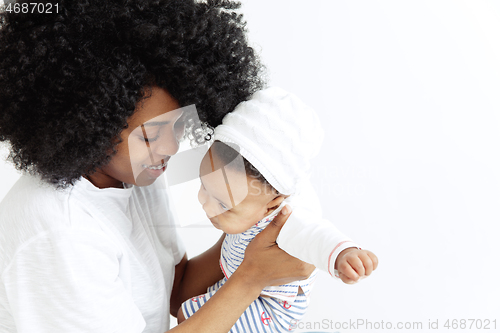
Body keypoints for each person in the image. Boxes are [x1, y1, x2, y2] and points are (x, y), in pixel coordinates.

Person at [0, 1, 315, 332]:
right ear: (90, 122)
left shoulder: (133, 177)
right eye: (151, 137)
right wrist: (252, 277)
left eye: (178, 127)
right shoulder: (60, 230)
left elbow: (177, 291)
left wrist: (257, 223)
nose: (171, 149)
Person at [177, 87, 379, 331]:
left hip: (270, 310)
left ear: (272, 204)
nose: (205, 204)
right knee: (186, 312)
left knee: (188, 318)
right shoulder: (254, 202)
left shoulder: (288, 217)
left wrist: (343, 255)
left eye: (222, 204)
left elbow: (317, 235)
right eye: (204, 186)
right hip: (243, 285)